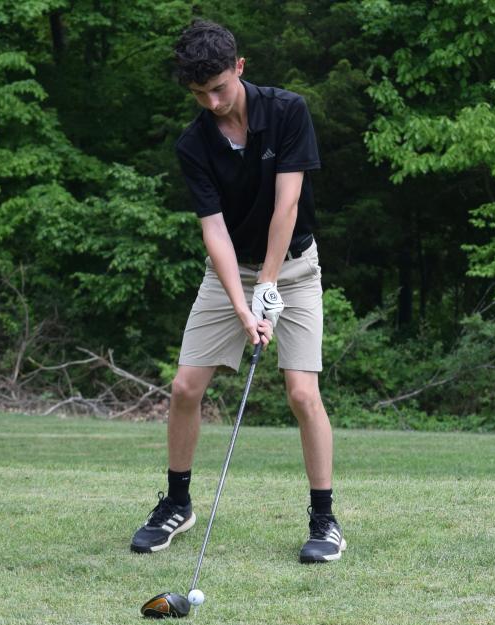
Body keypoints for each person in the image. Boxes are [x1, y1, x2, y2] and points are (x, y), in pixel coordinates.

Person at [130, 19, 345, 564]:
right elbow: (215, 231)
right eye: (198, 93)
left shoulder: (288, 112)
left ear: (240, 68)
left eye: (219, 87)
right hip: (227, 273)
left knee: (301, 393)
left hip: (295, 269)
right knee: (184, 387)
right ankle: (176, 504)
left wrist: (269, 285)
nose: (211, 101)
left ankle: (325, 520)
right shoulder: (194, 143)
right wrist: (242, 304)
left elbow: (287, 204)